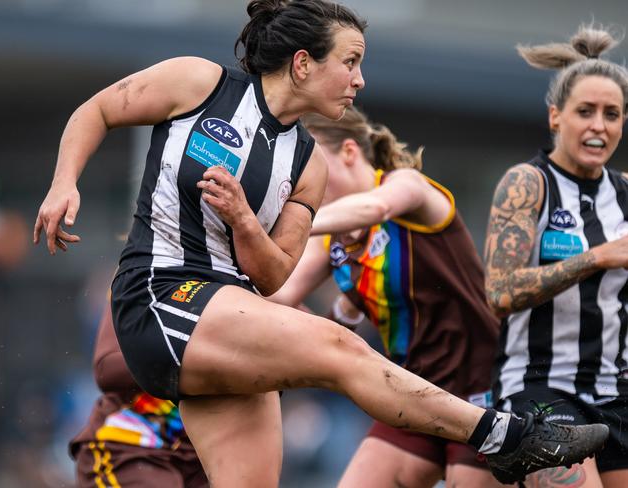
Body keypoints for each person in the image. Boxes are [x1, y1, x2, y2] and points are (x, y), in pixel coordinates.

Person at [33, 1, 608, 486]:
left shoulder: (308, 164)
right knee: (342, 351)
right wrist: (64, 184)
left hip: (229, 306)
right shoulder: (197, 81)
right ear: (303, 64)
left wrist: (243, 219)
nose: (360, 81)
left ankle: (503, 435)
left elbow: (275, 271)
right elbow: (99, 109)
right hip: (159, 295)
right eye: (351, 63)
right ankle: (508, 436)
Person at [269, 106, 504, 487]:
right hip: (413, 394)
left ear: (348, 152)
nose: (299, 181)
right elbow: (278, 294)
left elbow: (374, 207)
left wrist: (285, 225)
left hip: (485, 390)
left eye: (307, 165)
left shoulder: (407, 187)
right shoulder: (329, 237)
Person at [484, 23, 628, 487]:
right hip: (541, 388)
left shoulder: (625, 194)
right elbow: (500, 293)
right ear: (555, 117)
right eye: (585, 111)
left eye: (612, 114)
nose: (598, 126)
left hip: (616, 391)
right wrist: (596, 257)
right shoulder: (528, 184)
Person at [69, 301, 208, 487]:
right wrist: (199, 357)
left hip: (205, 456)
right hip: (131, 445)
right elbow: (107, 368)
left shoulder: (250, 291)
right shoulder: (140, 276)